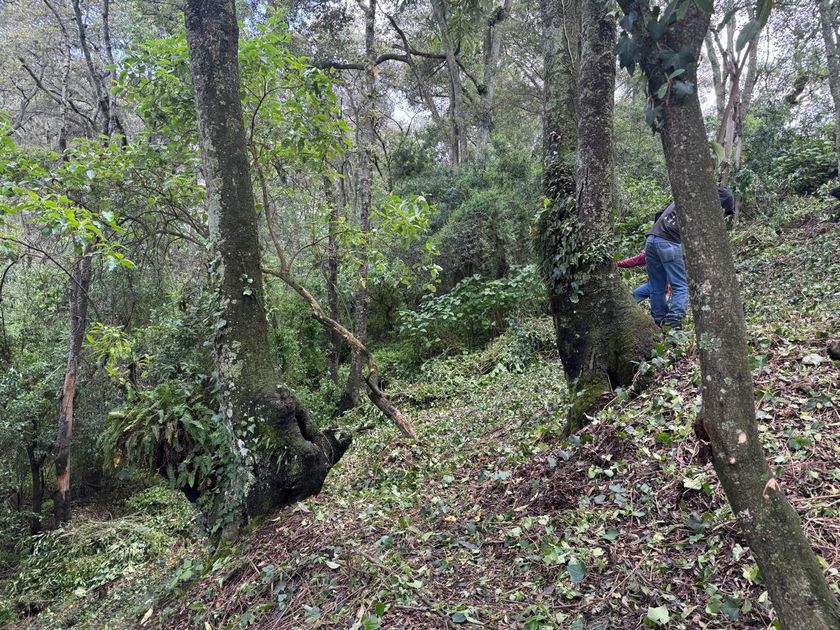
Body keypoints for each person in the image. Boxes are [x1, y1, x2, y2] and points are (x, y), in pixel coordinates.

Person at [645, 187, 735, 329]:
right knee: (680, 286)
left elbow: (659, 214)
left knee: (657, 286)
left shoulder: (685, 196)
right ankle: (673, 320)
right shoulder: (701, 208)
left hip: (651, 240)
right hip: (669, 243)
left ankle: (658, 320)